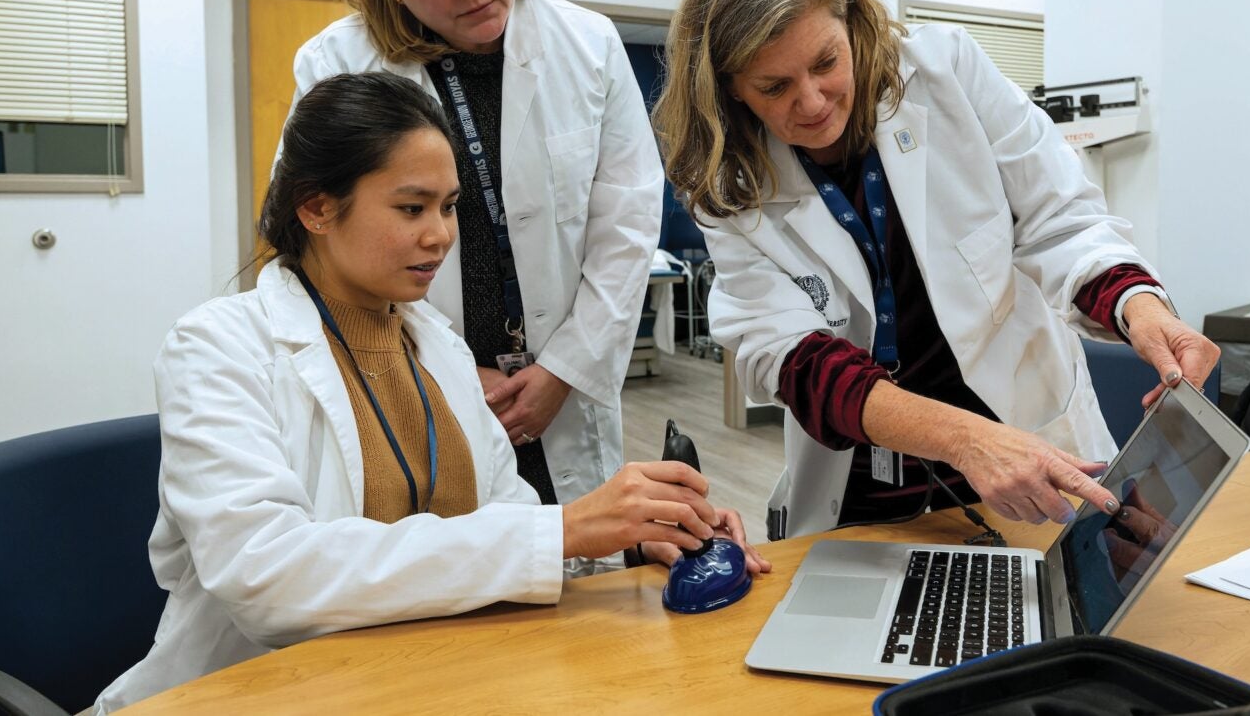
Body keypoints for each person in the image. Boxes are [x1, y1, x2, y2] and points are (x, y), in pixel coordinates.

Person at [95, 73, 765, 714]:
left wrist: (632, 537)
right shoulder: (217, 347)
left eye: (448, 207)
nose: (441, 234)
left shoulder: (436, 345)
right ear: (316, 207)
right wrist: (564, 528)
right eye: (411, 207)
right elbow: (269, 577)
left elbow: (505, 527)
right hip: (260, 694)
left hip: (432, 683)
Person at [654, 0, 1221, 540]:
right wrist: (964, 441)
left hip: (1029, 450)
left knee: (1064, 613)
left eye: (826, 63)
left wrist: (1139, 308)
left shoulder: (945, 73)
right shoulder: (728, 178)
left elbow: (1060, 218)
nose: (813, 101)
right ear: (730, 91)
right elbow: (791, 358)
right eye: (775, 86)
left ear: (852, 27)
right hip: (868, 481)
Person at [286, 0, 662, 534]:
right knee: (445, 578)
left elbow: (628, 230)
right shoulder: (334, 67)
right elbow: (317, 250)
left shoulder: (590, 46)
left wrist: (563, 373)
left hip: (561, 392)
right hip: (412, 381)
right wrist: (447, 372)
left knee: (574, 575)